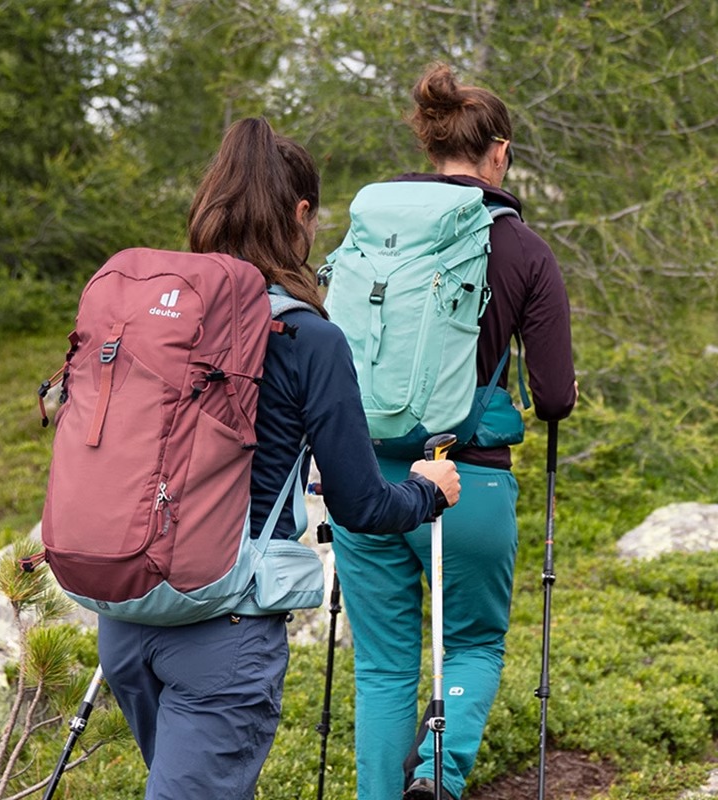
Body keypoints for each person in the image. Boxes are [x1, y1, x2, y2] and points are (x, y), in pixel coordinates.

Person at [96, 116, 461, 800]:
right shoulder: (307, 337)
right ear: (300, 215)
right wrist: (427, 490)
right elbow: (359, 505)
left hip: (125, 620)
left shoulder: (158, 316)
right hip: (221, 629)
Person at [330, 63, 578, 800]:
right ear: (498, 152)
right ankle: (436, 777)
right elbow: (556, 396)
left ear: (430, 143)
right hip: (466, 477)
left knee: (381, 667)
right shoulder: (524, 250)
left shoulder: (370, 232)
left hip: (363, 476)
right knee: (470, 643)